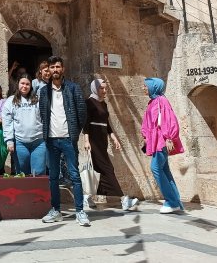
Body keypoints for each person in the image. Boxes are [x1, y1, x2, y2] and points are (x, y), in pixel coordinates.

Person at [38, 56, 89, 226]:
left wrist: (74, 134)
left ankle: (80, 211)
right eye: (52, 67)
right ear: (49, 70)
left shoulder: (73, 88)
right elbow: (43, 114)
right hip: (51, 140)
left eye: (58, 67)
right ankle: (56, 210)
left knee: (74, 175)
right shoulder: (44, 91)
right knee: (53, 177)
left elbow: (82, 113)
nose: (55, 70)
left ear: (63, 69)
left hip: (68, 139)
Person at [82, 79, 139, 211]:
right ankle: (123, 200)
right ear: (95, 88)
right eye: (101, 88)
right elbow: (86, 123)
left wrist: (114, 138)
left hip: (102, 140)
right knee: (107, 169)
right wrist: (86, 140)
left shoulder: (104, 104)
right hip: (94, 140)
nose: (104, 90)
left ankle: (87, 197)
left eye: (105, 88)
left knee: (100, 170)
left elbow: (107, 124)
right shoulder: (89, 102)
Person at [141, 77, 185, 214]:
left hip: (162, 141)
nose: (143, 88)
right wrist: (145, 137)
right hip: (156, 141)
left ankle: (171, 201)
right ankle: (176, 202)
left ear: (153, 87)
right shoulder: (153, 102)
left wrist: (170, 137)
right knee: (164, 170)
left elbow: (169, 120)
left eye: (145, 86)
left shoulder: (162, 101)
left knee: (155, 168)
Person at [2, 74, 46, 175]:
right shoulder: (10, 101)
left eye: (27, 84)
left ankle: (37, 191)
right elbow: (7, 122)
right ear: (18, 84)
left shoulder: (38, 99)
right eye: (22, 83)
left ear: (31, 85)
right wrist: (9, 141)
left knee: (38, 173)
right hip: (20, 143)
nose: (24, 86)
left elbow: (45, 118)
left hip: (38, 142)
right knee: (22, 174)